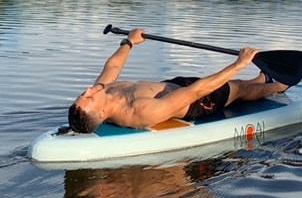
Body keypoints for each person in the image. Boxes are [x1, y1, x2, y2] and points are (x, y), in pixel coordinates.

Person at [68, 28, 288, 133]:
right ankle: (278, 86)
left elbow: (113, 66)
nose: (88, 90)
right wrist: (237, 64)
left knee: (240, 84)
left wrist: (129, 42)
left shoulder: (103, 92)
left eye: (82, 95)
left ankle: (261, 77)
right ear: (101, 114)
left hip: (173, 84)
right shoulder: (139, 112)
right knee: (238, 89)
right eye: (87, 98)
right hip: (196, 102)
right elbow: (194, 92)